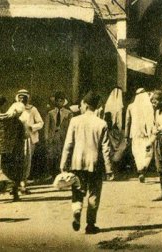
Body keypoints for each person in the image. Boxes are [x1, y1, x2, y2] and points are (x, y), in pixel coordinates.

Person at [60, 90, 113, 234]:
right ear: (96, 106)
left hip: (77, 163)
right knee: (94, 194)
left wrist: (63, 162)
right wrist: (109, 169)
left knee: (78, 191)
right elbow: (106, 149)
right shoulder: (102, 123)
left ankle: (77, 211)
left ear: (84, 104)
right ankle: (90, 225)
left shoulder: (75, 121)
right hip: (95, 164)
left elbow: (68, 144)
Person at [0, 96, 24, 203]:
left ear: (0, 105)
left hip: (7, 149)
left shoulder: (9, 120)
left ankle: (8, 192)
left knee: (6, 170)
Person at [15, 89, 44, 194]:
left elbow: (41, 123)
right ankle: (17, 184)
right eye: (20, 97)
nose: (22, 99)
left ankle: (23, 183)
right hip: (17, 139)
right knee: (18, 161)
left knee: (27, 160)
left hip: (29, 139)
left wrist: (32, 127)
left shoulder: (32, 109)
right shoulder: (14, 108)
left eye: (24, 97)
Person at [124, 88, 154, 183]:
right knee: (147, 152)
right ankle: (144, 168)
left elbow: (127, 122)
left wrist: (126, 136)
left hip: (135, 133)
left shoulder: (131, 106)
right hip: (147, 134)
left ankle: (140, 169)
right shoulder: (149, 106)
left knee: (137, 153)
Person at [45, 91, 73, 178]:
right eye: (58, 101)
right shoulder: (50, 113)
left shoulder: (68, 113)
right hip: (53, 137)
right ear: (55, 102)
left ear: (64, 102)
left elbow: (71, 126)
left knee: (63, 154)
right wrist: (47, 137)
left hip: (64, 137)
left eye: (61, 101)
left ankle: (63, 172)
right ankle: (52, 174)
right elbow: (47, 126)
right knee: (52, 155)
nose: (59, 102)